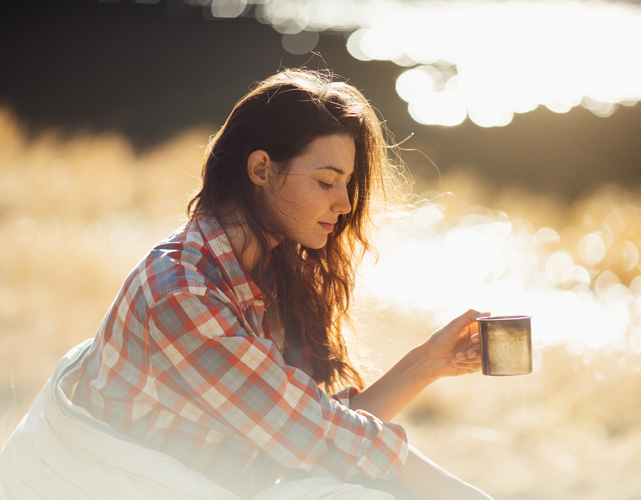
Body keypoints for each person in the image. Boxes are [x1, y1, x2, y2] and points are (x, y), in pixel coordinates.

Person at [0, 69, 493, 500]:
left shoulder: (262, 274)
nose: (344, 204)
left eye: (348, 185)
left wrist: (428, 363)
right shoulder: (183, 293)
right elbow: (318, 435)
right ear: (260, 168)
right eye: (326, 182)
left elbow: (311, 428)